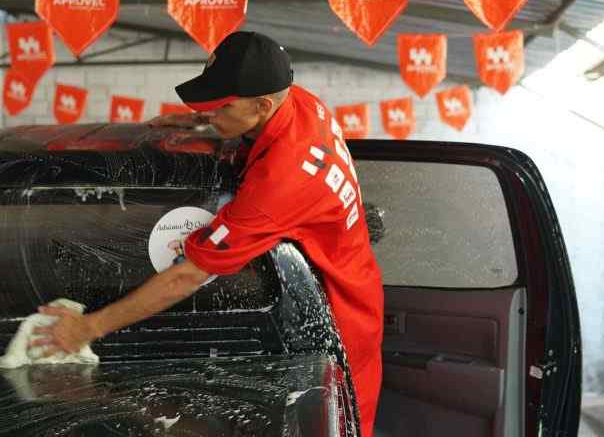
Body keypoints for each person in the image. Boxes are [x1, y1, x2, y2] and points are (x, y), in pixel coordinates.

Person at [33, 31, 384, 436]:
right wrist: (200, 122)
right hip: (348, 275)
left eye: (221, 106)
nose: (211, 112)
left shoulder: (278, 184)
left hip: (331, 321)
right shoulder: (299, 101)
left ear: (262, 105)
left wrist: (88, 328)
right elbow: (249, 122)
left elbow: (187, 275)